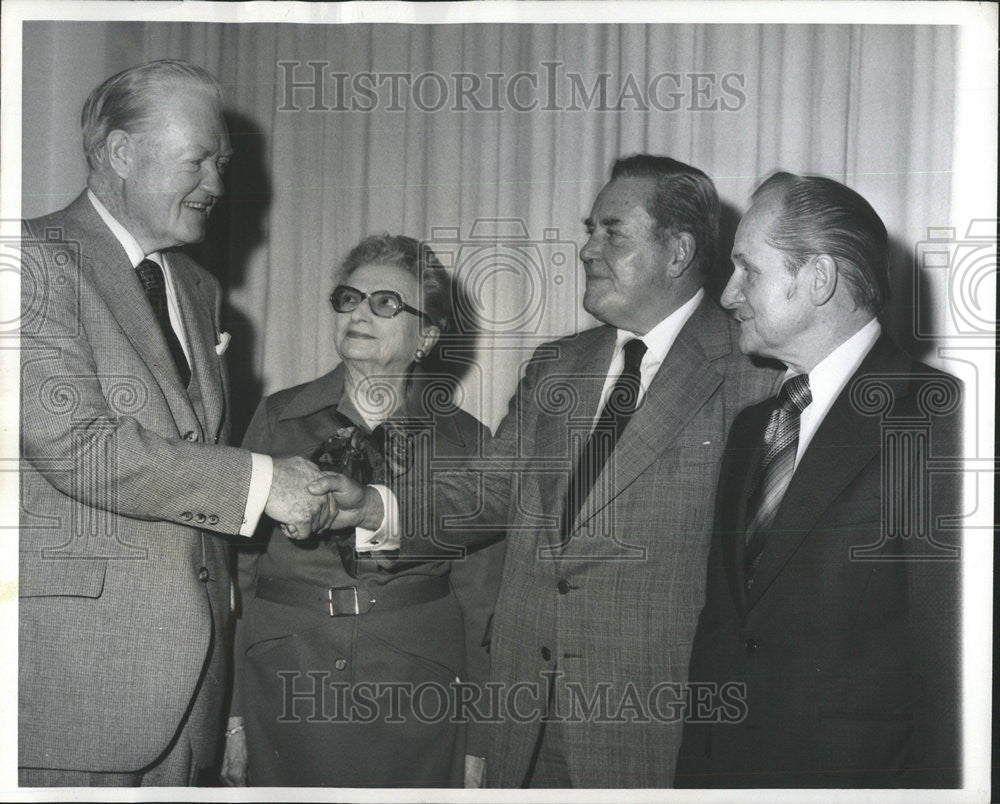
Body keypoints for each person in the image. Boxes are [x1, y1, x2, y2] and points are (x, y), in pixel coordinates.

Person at [318, 155, 782, 787]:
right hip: (525, 720)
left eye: (611, 231)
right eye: (589, 229)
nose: (587, 249)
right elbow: (490, 490)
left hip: (654, 729)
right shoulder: (557, 366)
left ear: (677, 251)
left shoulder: (756, 374)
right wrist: (375, 510)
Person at [19, 60, 336, 786]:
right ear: (121, 153)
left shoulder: (194, 286)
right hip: (76, 688)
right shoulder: (28, 261)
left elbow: (189, 473)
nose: (219, 185)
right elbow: (79, 447)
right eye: (198, 159)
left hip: (190, 695)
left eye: (221, 162)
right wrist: (263, 484)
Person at [676, 172, 962, 787]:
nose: (727, 295)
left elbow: (950, 670)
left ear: (819, 279)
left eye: (747, 270)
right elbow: (721, 636)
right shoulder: (753, 429)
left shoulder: (939, 417)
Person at [220, 234, 503, 787]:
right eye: (349, 298)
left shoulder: (468, 442)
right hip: (284, 678)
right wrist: (232, 714)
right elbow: (239, 577)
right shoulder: (278, 418)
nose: (360, 312)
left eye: (386, 302)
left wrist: (479, 743)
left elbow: (482, 605)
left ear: (426, 336)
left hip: (415, 690)